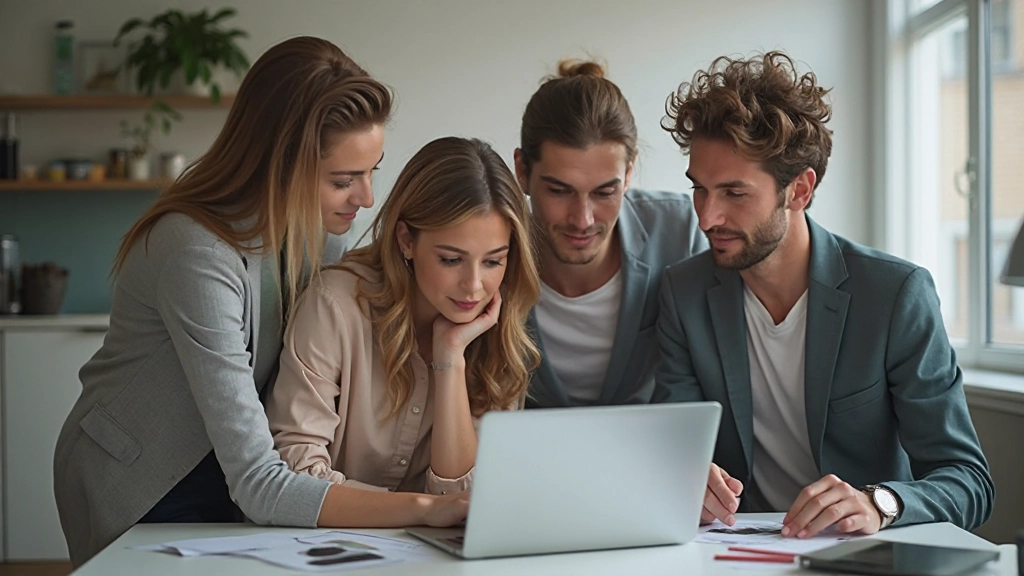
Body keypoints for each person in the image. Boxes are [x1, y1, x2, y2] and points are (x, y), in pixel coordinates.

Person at [53, 36, 394, 566]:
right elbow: (259, 482)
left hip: (236, 467)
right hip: (142, 477)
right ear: (278, 162)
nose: (366, 197)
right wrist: (423, 506)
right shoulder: (195, 250)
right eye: (344, 180)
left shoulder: (322, 233)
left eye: (373, 170)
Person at [654, 51, 994, 538]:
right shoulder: (683, 293)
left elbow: (969, 481)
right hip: (732, 552)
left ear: (799, 190)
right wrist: (686, 478)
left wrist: (880, 503)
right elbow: (674, 452)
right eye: (700, 189)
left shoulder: (895, 294)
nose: (707, 217)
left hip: (859, 554)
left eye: (734, 193)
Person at [266, 136, 540, 522]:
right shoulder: (336, 306)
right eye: (450, 259)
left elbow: (469, 502)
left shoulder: (497, 327)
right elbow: (295, 475)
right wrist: (423, 509)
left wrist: (450, 360)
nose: (474, 285)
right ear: (406, 240)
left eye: (493, 261)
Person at [514, 60, 706, 408]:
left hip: (651, 453)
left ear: (629, 174)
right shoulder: (493, 253)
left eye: (604, 193)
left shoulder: (680, 232)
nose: (582, 219)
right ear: (522, 171)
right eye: (559, 191)